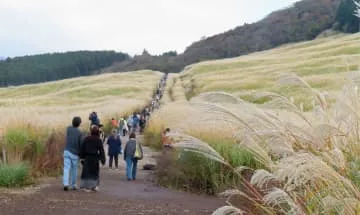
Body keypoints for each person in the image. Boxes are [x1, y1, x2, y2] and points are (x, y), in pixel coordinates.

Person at [79, 125, 106, 192]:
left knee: (86, 172)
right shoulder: (98, 140)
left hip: (87, 157)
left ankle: (86, 187)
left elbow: (82, 148)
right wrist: (103, 159)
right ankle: (94, 186)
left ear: (91, 132)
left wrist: (81, 158)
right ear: (98, 132)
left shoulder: (87, 138)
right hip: (95, 158)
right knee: (95, 172)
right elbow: (101, 150)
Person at [63, 116, 83, 191]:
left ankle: (65, 184)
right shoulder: (80, 133)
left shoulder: (68, 129)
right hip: (75, 153)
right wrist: (81, 155)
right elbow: (80, 144)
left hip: (67, 151)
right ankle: (73, 184)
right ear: (79, 124)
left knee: (66, 168)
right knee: (74, 169)